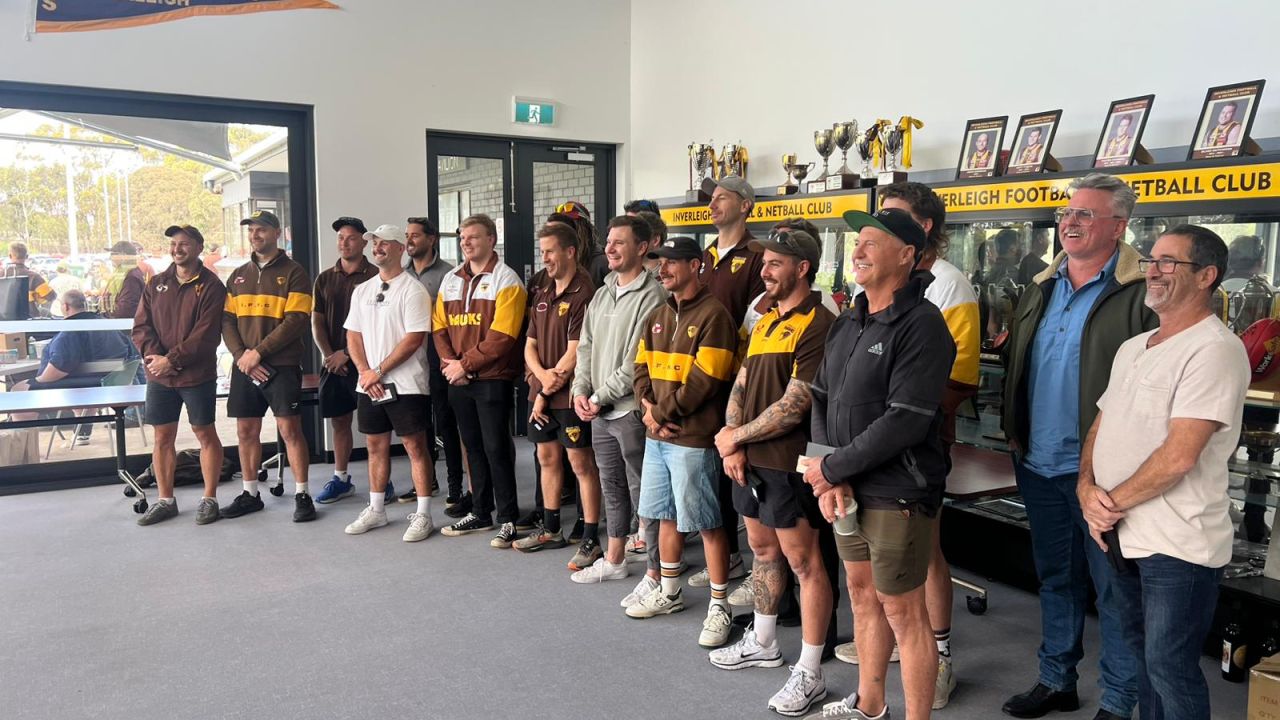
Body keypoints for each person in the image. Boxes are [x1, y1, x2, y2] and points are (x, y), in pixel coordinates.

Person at [1001, 173, 1156, 720]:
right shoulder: (1041, 286)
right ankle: (1056, 680)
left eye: (1086, 214)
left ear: (1119, 226)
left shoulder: (1142, 292)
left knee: (1116, 589)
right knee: (1056, 579)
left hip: (1106, 474)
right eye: (1067, 212)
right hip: (1038, 462)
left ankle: (1119, 699)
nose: (1070, 221)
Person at [1079, 225, 1246, 720]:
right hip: (1121, 533)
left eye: (1169, 261)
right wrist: (1085, 488)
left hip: (1178, 544)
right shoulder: (1134, 347)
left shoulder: (1214, 349)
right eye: (1152, 259)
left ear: (1207, 276)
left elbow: (1180, 456)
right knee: (1143, 660)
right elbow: (1100, 425)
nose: (1153, 270)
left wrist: (1107, 505)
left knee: (1170, 668)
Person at [803, 208, 954, 720]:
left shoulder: (923, 325)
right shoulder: (849, 318)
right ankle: (870, 705)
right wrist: (827, 473)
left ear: (907, 255)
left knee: (904, 612)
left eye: (872, 241)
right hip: (844, 486)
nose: (858, 250)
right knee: (861, 596)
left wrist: (833, 470)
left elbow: (905, 420)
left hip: (898, 491)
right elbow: (820, 398)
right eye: (857, 241)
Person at [708, 227, 836, 717]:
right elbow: (741, 384)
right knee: (762, 550)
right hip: (750, 458)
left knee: (805, 564)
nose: (765, 270)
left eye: (776, 263)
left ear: (803, 268)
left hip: (789, 463)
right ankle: (763, 642)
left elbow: (796, 403)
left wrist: (735, 437)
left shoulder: (820, 323)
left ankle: (811, 671)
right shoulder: (765, 320)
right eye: (764, 262)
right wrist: (733, 439)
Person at [874, 181, 982, 710]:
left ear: (924, 227)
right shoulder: (883, 281)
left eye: (892, 216)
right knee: (886, 560)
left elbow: (959, 380)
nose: (878, 228)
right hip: (875, 446)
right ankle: (902, 641)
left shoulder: (950, 286)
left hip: (919, 445)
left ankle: (940, 658)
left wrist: (899, 411)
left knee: (928, 550)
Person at [627, 235, 737, 651]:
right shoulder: (656, 314)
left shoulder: (715, 316)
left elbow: (707, 381)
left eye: (673, 262)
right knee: (664, 516)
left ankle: (720, 605)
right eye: (661, 262)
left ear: (696, 266)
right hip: (657, 435)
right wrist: (648, 409)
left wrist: (660, 414)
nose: (663, 269)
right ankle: (670, 592)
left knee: (707, 523)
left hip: (693, 439)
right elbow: (639, 368)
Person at [571, 215, 665, 587]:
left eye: (619, 242)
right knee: (611, 485)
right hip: (598, 410)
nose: (609, 248)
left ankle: (657, 572)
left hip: (630, 410)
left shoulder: (652, 295)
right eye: (608, 242)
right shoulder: (602, 291)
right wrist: (581, 390)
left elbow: (636, 361)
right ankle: (615, 559)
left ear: (642, 248)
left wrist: (598, 395)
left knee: (645, 492)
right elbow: (585, 347)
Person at [435, 214, 528, 546]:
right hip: (458, 379)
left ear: (491, 239)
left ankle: (508, 517)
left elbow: (503, 336)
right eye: (462, 237)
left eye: (473, 237)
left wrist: (465, 365)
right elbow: (439, 328)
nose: (466, 242)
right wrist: (452, 366)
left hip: (492, 379)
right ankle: (481, 511)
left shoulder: (507, 279)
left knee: (496, 448)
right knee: (472, 447)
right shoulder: (449, 280)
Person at [340, 224, 438, 542]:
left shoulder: (413, 290)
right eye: (374, 243)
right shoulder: (362, 290)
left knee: (415, 447)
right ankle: (377, 509)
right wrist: (365, 372)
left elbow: (414, 339)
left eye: (385, 243)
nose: (377, 247)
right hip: (369, 384)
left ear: (400, 248)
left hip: (407, 385)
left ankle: (423, 514)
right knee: (375, 446)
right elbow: (353, 335)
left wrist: (378, 371)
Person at [512, 223, 601, 569]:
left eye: (550, 251)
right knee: (546, 457)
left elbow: (576, 351)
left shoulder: (584, 292)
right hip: (544, 392)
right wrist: (541, 381)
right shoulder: (544, 291)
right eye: (542, 252)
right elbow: (529, 345)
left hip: (571, 396)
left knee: (581, 464)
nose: (545, 258)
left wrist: (546, 387)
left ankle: (590, 537)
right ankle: (551, 529)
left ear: (570, 251)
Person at [219, 210, 317, 523]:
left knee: (290, 430)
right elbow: (227, 320)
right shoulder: (238, 275)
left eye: (261, 229)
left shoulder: (295, 272)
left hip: (282, 366)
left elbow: (296, 320)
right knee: (246, 431)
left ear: (276, 233)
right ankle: (250, 494)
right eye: (251, 230)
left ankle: (302, 494)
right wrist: (241, 356)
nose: (255, 235)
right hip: (245, 366)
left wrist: (258, 354)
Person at [691, 174, 764, 590]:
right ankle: (727, 558)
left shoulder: (757, 256)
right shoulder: (703, 256)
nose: (713, 204)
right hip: (701, 378)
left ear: (745, 205)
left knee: (739, 472)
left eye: (721, 197)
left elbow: (757, 321)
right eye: (711, 198)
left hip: (738, 380)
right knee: (711, 472)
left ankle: (760, 564)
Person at [131, 225, 227, 526]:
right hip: (160, 377)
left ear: (198, 248)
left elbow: (206, 335)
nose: (177, 249)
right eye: (173, 244)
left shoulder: (212, 286)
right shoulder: (157, 283)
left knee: (204, 434)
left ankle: (209, 499)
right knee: (162, 437)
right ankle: (165, 500)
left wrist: (171, 360)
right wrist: (155, 360)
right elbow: (141, 327)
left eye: (184, 244)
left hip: (197, 375)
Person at [312, 216, 380, 505]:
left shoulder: (376, 276)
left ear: (363, 242)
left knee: (376, 426)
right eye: (340, 237)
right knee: (340, 422)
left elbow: (379, 325)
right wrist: (330, 354)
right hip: (333, 364)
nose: (344, 243)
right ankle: (341, 479)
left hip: (367, 364)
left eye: (350, 238)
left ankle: (383, 483)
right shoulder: (325, 278)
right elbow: (316, 321)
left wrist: (348, 354)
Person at [406, 215, 467, 513]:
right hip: (409, 360)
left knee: (447, 422)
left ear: (432, 239)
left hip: (439, 356)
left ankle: (455, 485)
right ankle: (426, 481)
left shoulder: (448, 274)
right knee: (418, 422)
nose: (409, 240)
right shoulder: (401, 276)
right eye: (407, 235)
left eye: (415, 235)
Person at [103, 241, 150, 321]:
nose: (111, 258)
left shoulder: (131, 277)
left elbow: (125, 310)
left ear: (124, 256)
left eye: (113, 254)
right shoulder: (123, 273)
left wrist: (105, 315)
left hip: (125, 325)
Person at [7, 241, 55, 316]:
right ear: (26, 256)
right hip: (29, 319)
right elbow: (51, 296)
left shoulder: (2, 274)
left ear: (10, 256)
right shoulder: (34, 277)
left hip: (3, 319)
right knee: (47, 313)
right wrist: (35, 296)